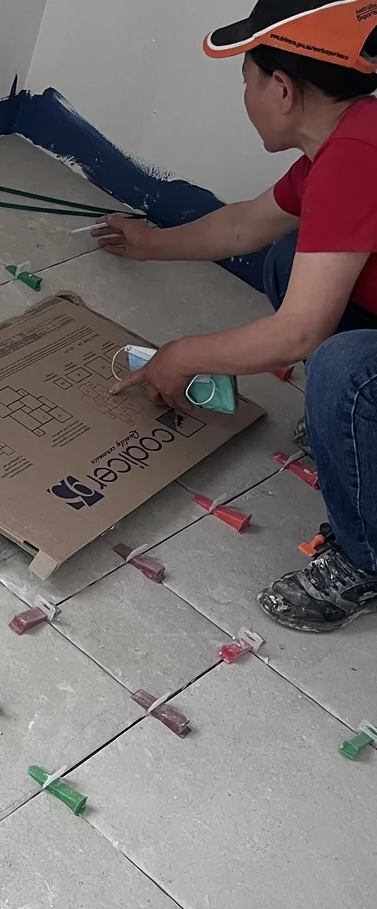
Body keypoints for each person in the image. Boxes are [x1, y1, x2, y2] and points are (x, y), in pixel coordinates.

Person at [101, 0, 377, 632]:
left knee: (344, 366)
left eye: (246, 81)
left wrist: (182, 355)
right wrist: (151, 245)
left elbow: (299, 333)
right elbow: (248, 224)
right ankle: (356, 433)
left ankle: (367, 561)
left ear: (282, 88)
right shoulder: (348, 138)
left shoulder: (360, 155)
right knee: (286, 260)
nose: (245, 97)